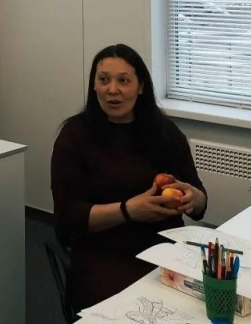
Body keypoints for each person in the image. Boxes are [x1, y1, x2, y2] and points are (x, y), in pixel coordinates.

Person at [50, 44, 207, 314]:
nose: (113, 90)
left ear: (140, 86)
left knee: (199, 306)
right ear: (94, 86)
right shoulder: (75, 135)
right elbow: (67, 216)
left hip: (163, 246)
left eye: (123, 81)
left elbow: (200, 204)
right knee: (133, 311)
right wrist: (128, 211)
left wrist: (194, 198)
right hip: (103, 251)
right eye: (104, 80)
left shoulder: (165, 132)